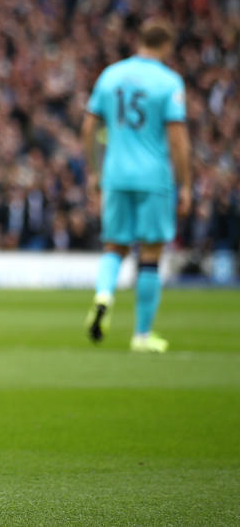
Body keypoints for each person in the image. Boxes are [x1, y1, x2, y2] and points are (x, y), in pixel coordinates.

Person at [82, 18, 191, 353]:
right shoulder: (168, 82)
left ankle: (103, 295)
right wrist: (185, 184)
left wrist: (93, 171)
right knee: (151, 254)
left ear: (138, 40)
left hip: (115, 173)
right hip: (153, 176)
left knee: (114, 246)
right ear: (167, 45)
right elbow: (177, 140)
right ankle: (142, 335)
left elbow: (88, 127)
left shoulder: (110, 75)